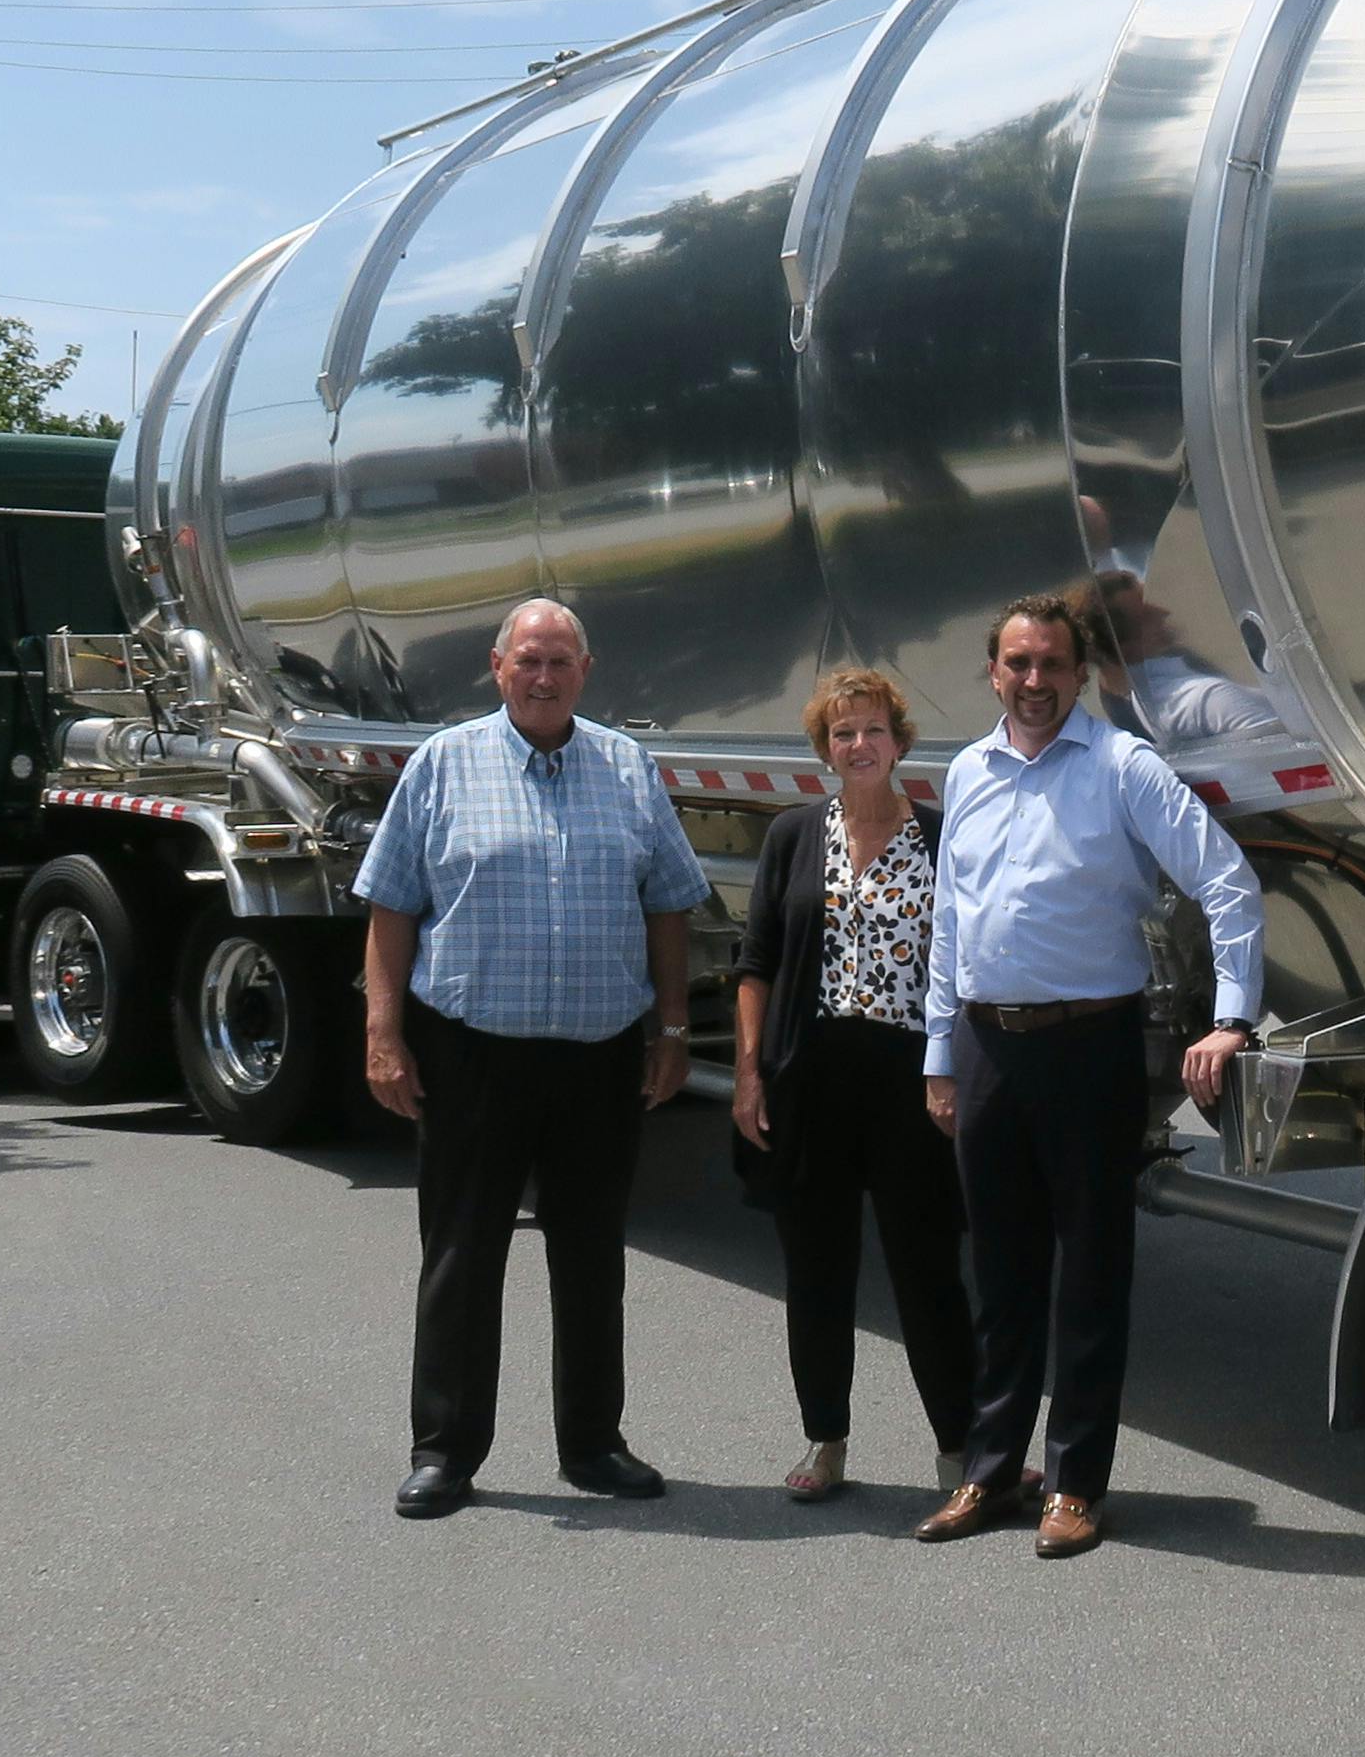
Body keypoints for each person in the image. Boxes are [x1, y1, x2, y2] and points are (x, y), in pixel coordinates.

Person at [910, 591, 1268, 1558]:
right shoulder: (967, 773)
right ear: (993, 672)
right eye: (1018, 663)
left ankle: (1074, 1485)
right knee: (1000, 1276)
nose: (1035, 681)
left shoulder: (1122, 766)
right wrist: (941, 1057)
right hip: (987, 1048)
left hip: (1089, 1048)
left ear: (1078, 674)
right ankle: (990, 1472)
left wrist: (1233, 1017)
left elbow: (1226, 880)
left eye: (1052, 665)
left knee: (1090, 1277)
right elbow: (951, 925)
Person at [356, 597, 706, 1517]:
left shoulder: (627, 768)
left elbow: (668, 904)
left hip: (597, 1058)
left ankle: (593, 1444)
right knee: (462, 1256)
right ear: (498, 666)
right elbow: (391, 905)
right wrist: (383, 1035)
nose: (543, 677)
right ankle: (445, 1451)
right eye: (529, 661)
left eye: (560, 662)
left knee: (591, 1259)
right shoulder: (443, 765)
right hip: (473, 1056)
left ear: (585, 672)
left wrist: (674, 1030)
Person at [734, 667, 973, 1504]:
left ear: (899, 742)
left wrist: (955, 1071)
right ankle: (825, 1439)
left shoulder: (942, 837)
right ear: (824, 749)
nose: (859, 744)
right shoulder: (794, 834)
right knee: (816, 1268)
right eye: (843, 733)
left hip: (909, 1079)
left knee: (927, 1268)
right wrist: (750, 1074)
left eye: (873, 730)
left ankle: (960, 1450)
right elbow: (758, 961)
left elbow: (970, 964)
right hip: (811, 1076)